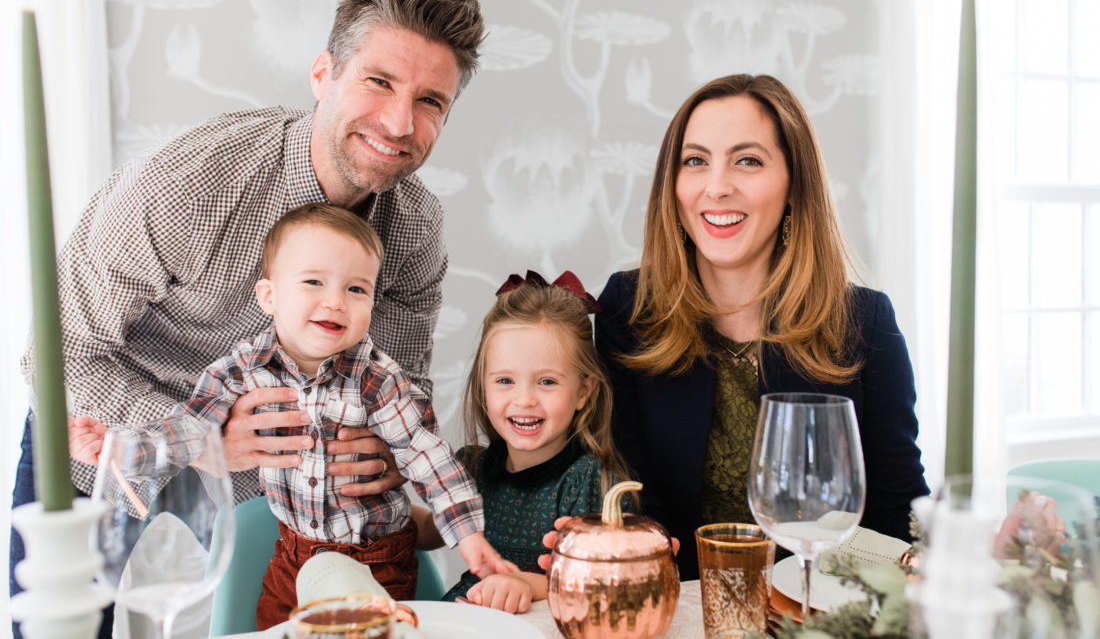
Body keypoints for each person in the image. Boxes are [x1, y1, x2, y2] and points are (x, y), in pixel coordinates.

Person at [13, 0, 485, 638]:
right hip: (101, 463)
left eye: (431, 100)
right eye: (378, 81)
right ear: (323, 72)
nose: (399, 121)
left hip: (271, 508)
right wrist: (204, 441)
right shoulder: (190, 185)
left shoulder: (415, 230)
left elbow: (401, 387)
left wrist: (386, 446)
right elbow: (57, 358)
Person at [69, 204, 514, 627]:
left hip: (376, 562)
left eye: (356, 289)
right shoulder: (240, 369)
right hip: (291, 555)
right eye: (313, 282)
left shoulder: (378, 380)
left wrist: (469, 537)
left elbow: (428, 456)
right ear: (269, 296)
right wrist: (124, 446)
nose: (336, 301)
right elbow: (190, 428)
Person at [594, 74, 930, 581]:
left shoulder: (865, 323)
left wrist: (954, 547)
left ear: (794, 183)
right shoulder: (628, 310)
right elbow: (635, 504)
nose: (717, 185)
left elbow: (895, 512)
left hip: (817, 611)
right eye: (695, 160)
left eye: (747, 160)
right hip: (680, 610)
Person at [412, 270, 626, 614]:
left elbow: (599, 580)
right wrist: (381, 509)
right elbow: (429, 531)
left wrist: (523, 583)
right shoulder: (474, 466)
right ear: (484, 386)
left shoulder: (588, 481)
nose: (524, 400)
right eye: (505, 380)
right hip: (469, 614)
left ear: (584, 391)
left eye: (546, 381)